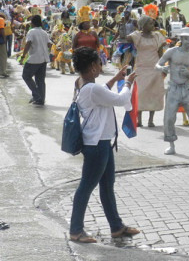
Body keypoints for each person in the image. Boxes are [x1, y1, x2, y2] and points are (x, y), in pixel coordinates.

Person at [68, 47, 140, 243]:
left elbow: (103, 93)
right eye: (99, 62)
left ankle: (116, 227)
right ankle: (75, 230)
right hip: (96, 145)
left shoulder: (84, 84)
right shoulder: (92, 88)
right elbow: (120, 99)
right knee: (86, 186)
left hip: (101, 143)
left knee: (107, 185)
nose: (101, 66)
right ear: (92, 67)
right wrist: (127, 82)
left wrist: (116, 78)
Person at [155, 27, 189, 155]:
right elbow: (157, 65)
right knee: (169, 117)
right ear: (181, 39)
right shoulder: (171, 52)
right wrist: (163, 68)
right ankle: (171, 145)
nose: (188, 41)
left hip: (187, 88)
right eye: (186, 38)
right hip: (173, 87)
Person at [126, 15, 166, 128]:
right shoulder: (137, 35)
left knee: (153, 93)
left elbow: (160, 52)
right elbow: (124, 37)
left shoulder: (157, 36)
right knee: (140, 94)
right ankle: (139, 120)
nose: (152, 25)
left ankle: (150, 120)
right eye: (150, 23)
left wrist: (162, 66)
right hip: (141, 67)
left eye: (153, 23)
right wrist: (123, 25)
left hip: (154, 67)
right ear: (143, 26)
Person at [19, 15, 52, 106]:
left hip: (34, 58)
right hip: (43, 58)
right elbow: (50, 44)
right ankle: (41, 99)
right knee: (40, 80)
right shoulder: (44, 32)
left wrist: (23, 56)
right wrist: (45, 51)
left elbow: (28, 43)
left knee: (26, 76)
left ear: (32, 23)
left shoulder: (31, 32)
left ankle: (37, 95)